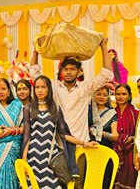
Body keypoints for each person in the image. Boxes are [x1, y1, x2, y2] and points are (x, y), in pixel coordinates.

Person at [30, 36, 113, 188]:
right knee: (60, 184)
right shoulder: (53, 87)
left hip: (81, 145)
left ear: (79, 71)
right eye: (66, 69)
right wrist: (36, 50)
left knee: (77, 184)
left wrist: (103, 46)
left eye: (72, 69)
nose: (69, 72)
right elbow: (34, 73)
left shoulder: (85, 87)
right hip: (58, 146)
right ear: (61, 71)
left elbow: (106, 74)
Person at [21, 75, 98, 188]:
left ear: (49, 89)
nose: (40, 90)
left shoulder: (55, 108)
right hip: (33, 156)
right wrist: (24, 162)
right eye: (37, 87)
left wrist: (84, 143)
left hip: (51, 156)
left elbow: (64, 134)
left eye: (43, 87)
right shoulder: (28, 108)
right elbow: (26, 137)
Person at [88, 85, 118, 189]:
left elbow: (115, 136)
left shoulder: (112, 113)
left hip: (104, 149)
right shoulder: (88, 111)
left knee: (104, 179)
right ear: (93, 95)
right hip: (88, 148)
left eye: (105, 95)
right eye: (98, 94)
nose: (102, 97)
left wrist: (99, 132)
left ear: (108, 97)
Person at [113, 84, 138, 188]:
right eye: (118, 94)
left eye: (124, 94)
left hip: (130, 152)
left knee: (129, 179)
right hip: (114, 150)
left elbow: (138, 134)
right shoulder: (111, 112)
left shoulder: (136, 113)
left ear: (129, 96)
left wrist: (132, 138)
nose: (120, 96)